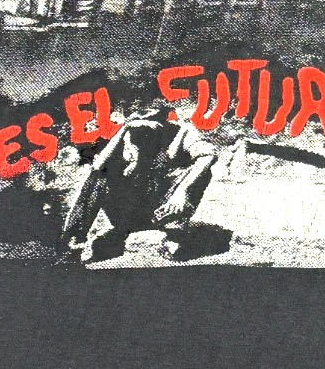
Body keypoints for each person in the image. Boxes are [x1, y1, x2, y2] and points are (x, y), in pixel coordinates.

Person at [60, 101, 217, 262]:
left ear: (164, 117)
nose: (147, 127)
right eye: (140, 121)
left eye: (152, 119)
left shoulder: (181, 131)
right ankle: (75, 239)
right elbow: (98, 168)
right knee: (99, 176)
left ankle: (174, 232)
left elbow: (208, 155)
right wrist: (124, 130)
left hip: (164, 207)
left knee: (201, 172)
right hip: (129, 209)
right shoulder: (127, 133)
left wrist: (182, 191)